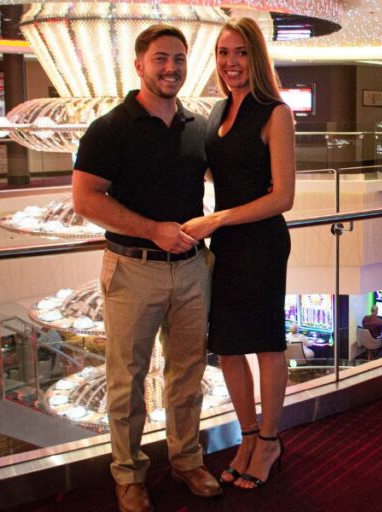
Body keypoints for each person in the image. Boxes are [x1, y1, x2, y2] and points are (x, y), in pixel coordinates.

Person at [72, 24, 221, 512]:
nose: (171, 68)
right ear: (139, 65)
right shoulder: (110, 128)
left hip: (193, 268)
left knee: (188, 373)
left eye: (178, 59)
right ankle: (129, 474)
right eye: (161, 59)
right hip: (132, 268)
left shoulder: (197, 127)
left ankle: (186, 460)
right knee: (126, 379)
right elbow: (86, 199)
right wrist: (152, 229)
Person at [179, 17, 295, 491]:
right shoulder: (215, 113)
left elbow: (283, 197)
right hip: (225, 244)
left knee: (265, 342)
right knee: (227, 345)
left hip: (262, 241)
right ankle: (247, 434)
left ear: (257, 57)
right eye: (224, 53)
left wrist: (217, 218)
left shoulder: (276, 112)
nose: (231, 62)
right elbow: (212, 170)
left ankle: (269, 441)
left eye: (241, 52)